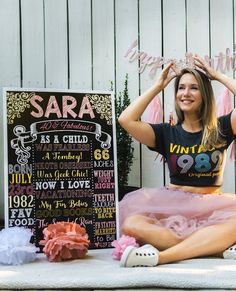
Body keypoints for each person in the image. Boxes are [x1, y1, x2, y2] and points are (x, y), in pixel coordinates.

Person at [118, 54, 236, 268]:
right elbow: (125, 119)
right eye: (181, 88)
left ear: (204, 94)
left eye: (194, 88)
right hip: (173, 207)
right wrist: (158, 86)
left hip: (211, 207)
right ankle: (214, 245)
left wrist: (217, 76)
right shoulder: (165, 133)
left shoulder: (222, 128)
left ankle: (161, 257)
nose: (186, 93)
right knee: (131, 224)